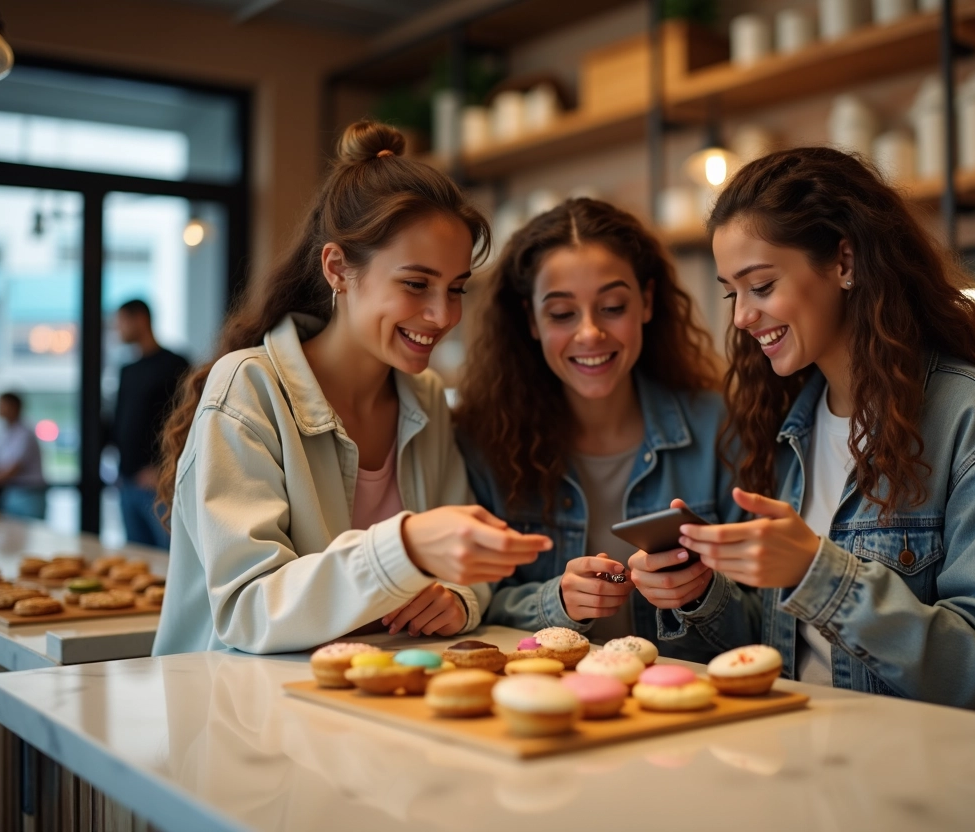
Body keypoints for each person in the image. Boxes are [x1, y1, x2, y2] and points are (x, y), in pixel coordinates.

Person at [637, 147, 975, 719]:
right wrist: (702, 593)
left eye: (761, 286)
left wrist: (820, 573)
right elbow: (779, 647)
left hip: (935, 769)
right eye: (733, 293)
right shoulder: (786, 425)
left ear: (844, 261)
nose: (740, 317)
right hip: (807, 755)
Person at [152, 120, 551, 656]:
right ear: (338, 269)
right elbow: (248, 608)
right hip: (239, 700)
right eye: (416, 284)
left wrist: (457, 597)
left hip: (371, 693)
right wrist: (404, 550)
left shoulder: (424, 397)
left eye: (456, 289)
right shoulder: (249, 389)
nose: (442, 315)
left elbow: (469, 565)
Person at [455, 198, 740, 662]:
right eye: (561, 313)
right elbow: (472, 605)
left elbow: (766, 623)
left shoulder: (720, 427)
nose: (589, 333)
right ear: (531, 320)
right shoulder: (482, 442)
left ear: (647, 302)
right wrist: (559, 603)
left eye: (612, 306)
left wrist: (702, 595)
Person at [110, 299, 191, 549]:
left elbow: (186, 420)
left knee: (168, 555)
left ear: (140, 319)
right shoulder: (127, 370)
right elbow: (120, 421)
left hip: (158, 482)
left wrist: (163, 468)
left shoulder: (174, 364)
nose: (118, 329)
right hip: (128, 481)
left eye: (122, 322)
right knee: (136, 558)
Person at [0, 391, 47, 520]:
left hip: (29, 495)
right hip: (10, 493)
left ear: (15, 407)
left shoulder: (25, 434)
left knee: (28, 530)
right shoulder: (3, 432)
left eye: (2, 405)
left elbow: (11, 470)